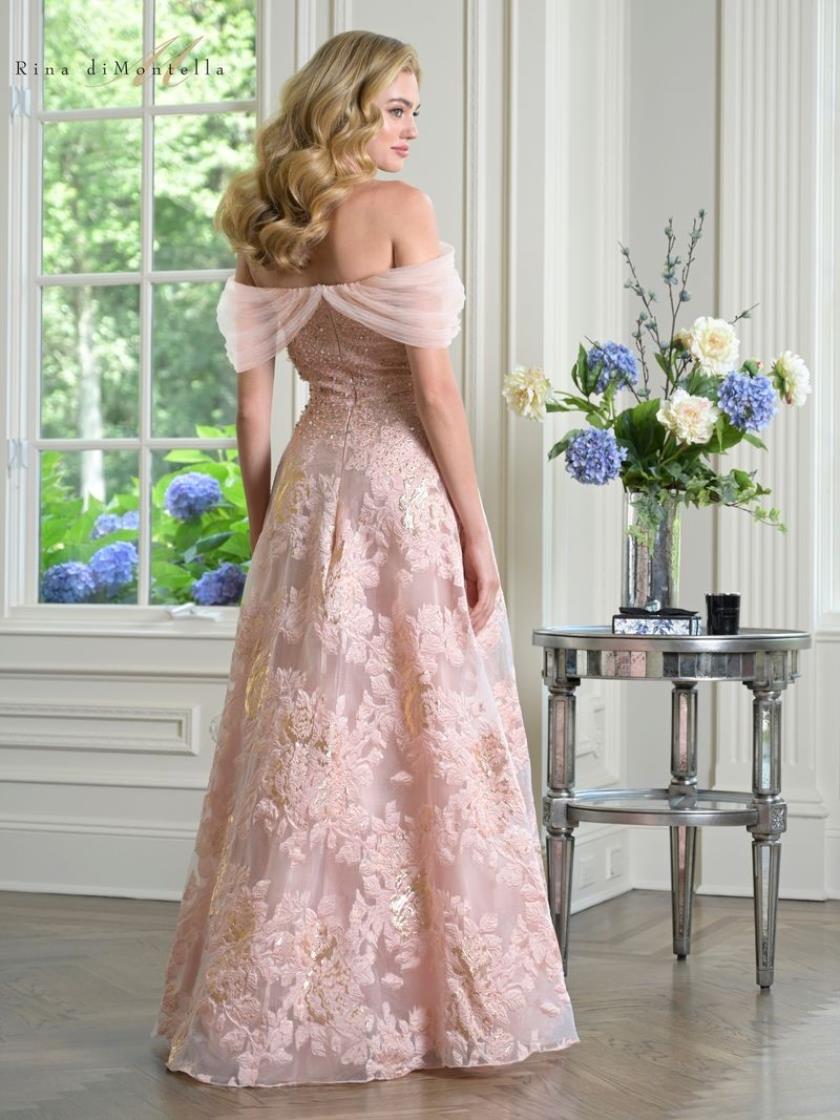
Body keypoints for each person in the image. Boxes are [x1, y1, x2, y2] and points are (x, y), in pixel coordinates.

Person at [150, 28, 579, 1088]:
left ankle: (275, 994)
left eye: (415, 111)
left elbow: (253, 414)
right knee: (423, 729)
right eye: (393, 108)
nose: (408, 129)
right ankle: (428, 999)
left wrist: (268, 533)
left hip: (310, 490)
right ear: (343, 107)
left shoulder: (266, 225)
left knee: (310, 741)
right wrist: (477, 531)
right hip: (396, 491)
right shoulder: (399, 210)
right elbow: (435, 395)